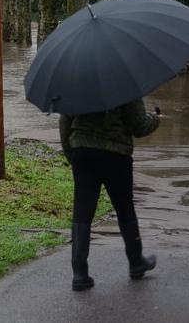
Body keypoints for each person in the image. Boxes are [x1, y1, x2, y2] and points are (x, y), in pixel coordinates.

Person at [59, 99, 160, 291]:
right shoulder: (125, 82)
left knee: (82, 212)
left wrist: (72, 155)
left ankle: (79, 273)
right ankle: (136, 262)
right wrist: (156, 118)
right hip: (116, 155)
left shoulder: (74, 82)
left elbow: (64, 123)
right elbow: (139, 126)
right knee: (125, 210)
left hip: (83, 152)